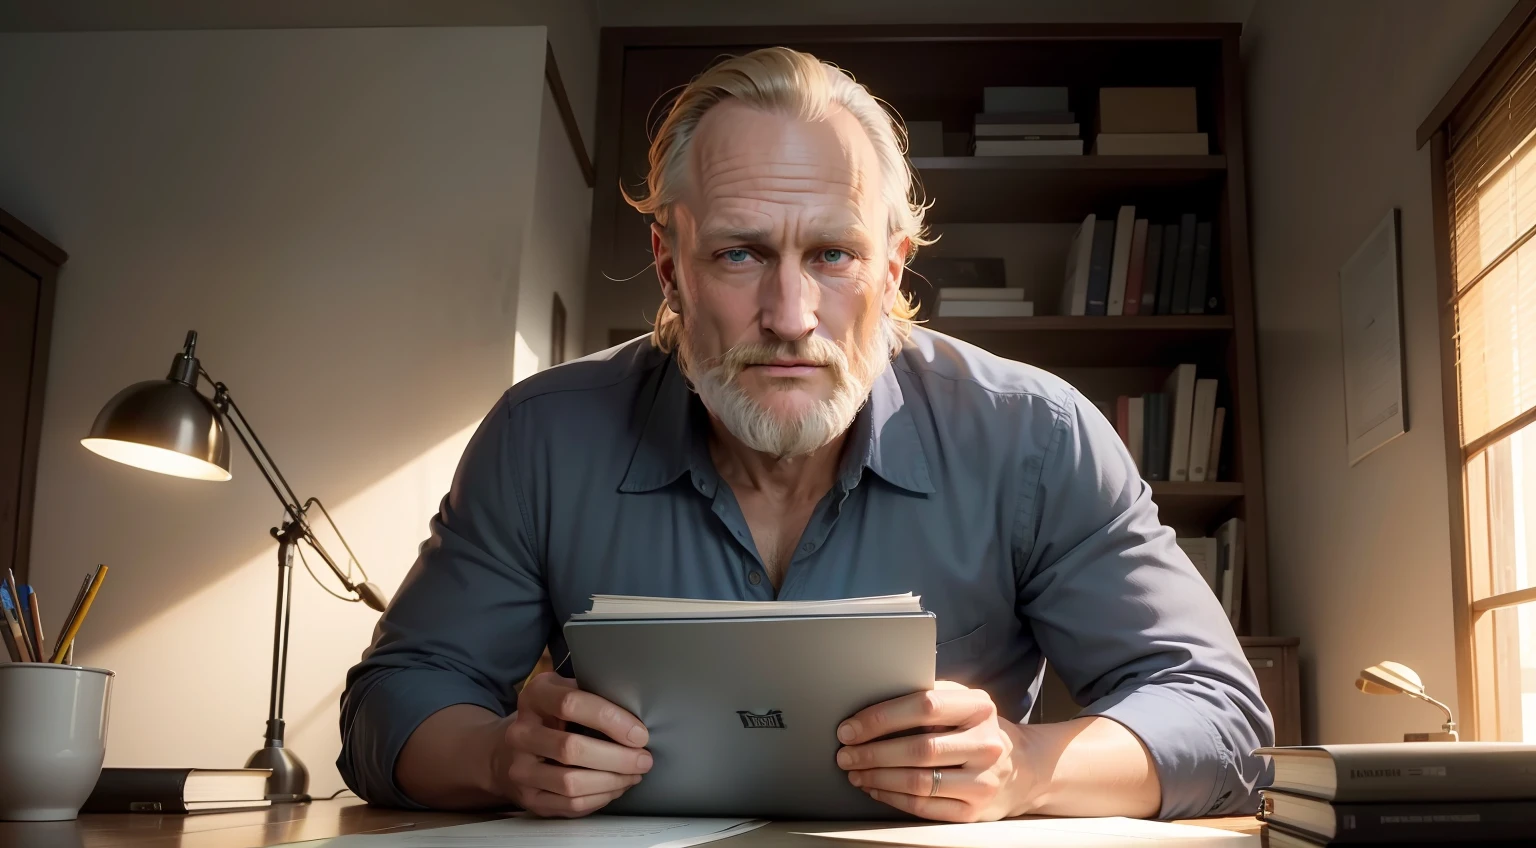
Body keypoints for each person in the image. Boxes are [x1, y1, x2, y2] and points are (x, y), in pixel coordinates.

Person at [338, 46, 1272, 823]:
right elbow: (391, 703)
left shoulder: (1039, 434)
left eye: (832, 256)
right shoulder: (538, 439)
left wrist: (1028, 765)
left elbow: (1220, 716)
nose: (791, 316)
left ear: (892, 265)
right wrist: (502, 757)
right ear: (671, 266)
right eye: (740, 253)